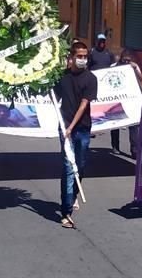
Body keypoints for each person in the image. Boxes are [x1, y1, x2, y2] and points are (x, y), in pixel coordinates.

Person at [55, 41, 98, 229]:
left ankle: (72, 196)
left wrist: (72, 126)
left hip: (81, 128)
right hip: (64, 128)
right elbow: (54, 97)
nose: (82, 59)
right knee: (68, 167)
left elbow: (84, 104)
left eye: (84, 56)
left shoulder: (90, 79)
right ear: (71, 57)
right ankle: (66, 212)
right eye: (79, 56)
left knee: (79, 166)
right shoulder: (62, 77)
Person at [110, 50, 141, 157]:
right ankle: (115, 146)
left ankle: (135, 150)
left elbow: (141, 79)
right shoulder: (113, 66)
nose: (127, 62)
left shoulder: (134, 66)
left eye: (129, 60)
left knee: (133, 126)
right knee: (115, 124)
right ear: (121, 58)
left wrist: (135, 69)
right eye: (125, 60)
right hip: (116, 100)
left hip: (130, 100)